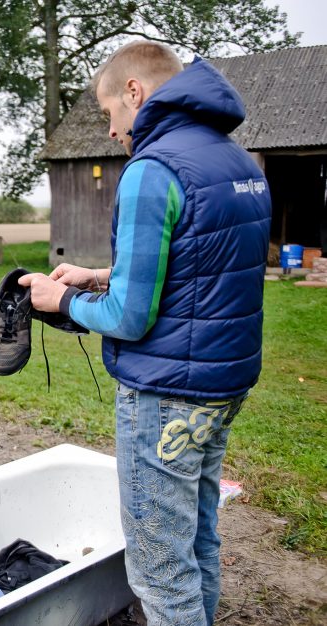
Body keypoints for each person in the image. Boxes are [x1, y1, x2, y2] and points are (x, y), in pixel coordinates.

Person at [19, 41, 270, 625]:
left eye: (109, 113)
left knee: (159, 568)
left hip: (166, 393)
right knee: (198, 537)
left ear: (134, 92)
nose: (110, 132)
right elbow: (202, 265)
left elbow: (130, 318)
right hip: (223, 385)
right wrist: (99, 273)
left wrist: (64, 298)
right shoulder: (237, 162)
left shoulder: (151, 170)